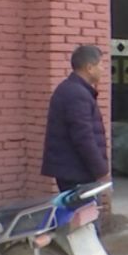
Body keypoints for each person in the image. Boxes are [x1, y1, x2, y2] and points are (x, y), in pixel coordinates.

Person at [42, 45, 109, 192]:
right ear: (89, 68)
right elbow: (83, 137)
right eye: (101, 65)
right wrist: (101, 171)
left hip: (75, 170)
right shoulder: (77, 94)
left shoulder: (74, 89)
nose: (103, 69)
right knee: (82, 207)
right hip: (77, 173)